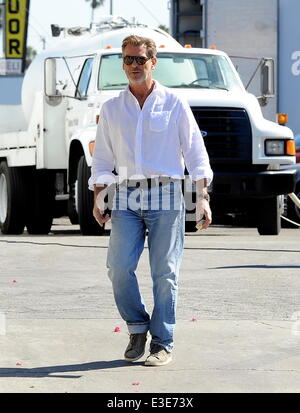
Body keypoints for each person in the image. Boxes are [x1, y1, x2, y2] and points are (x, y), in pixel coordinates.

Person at [88, 35, 213, 367]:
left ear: (153, 62)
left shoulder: (174, 103)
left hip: (168, 194)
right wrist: (99, 196)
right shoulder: (112, 109)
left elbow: (196, 156)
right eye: (128, 60)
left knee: (165, 273)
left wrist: (202, 197)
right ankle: (138, 327)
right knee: (118, 268)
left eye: (140, 60)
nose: (133, 66)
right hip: (126, 195)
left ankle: (162, 342)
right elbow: (101, 161)